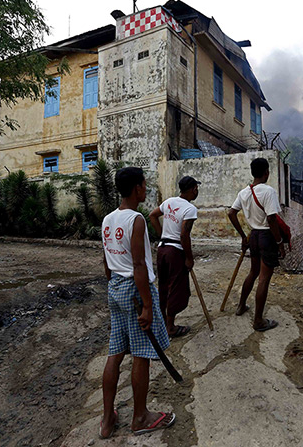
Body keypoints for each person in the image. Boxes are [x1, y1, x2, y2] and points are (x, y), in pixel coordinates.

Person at [100, 167, 175, 438]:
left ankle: (107, 421)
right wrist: (146, 305)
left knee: (115, 352)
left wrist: (114, 284)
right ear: (136, 188)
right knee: (141, 354)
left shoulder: (108, 219)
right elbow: (139, 264)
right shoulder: (137, 220)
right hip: (134, 290)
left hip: (115, 289)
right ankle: (140, 417)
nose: (146, 188)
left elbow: (107, 261)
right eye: (144, 184)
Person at [228, 157, 285, 332]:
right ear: (266, 172)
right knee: (264, 278)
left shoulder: (244, 192)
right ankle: (258, 320)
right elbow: (271, 218)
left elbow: (231, 213)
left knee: (253, 272)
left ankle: (241, 306)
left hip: (253, 235)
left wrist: (243, 236)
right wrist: (280, 242)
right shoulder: (268, 192)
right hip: (267, 236)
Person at [149, 175, 200, 338]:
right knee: (176, 288)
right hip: (175, 252)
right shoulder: (189, 209)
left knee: (164, 286)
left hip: (163, 249)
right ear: (193, 189)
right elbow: (185, 235)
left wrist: (162, 234)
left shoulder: (169, 202)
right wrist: (189, 258)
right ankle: (170, 327)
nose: (197, 191)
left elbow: (152, 215)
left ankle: (164, 324)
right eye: (196, 188)